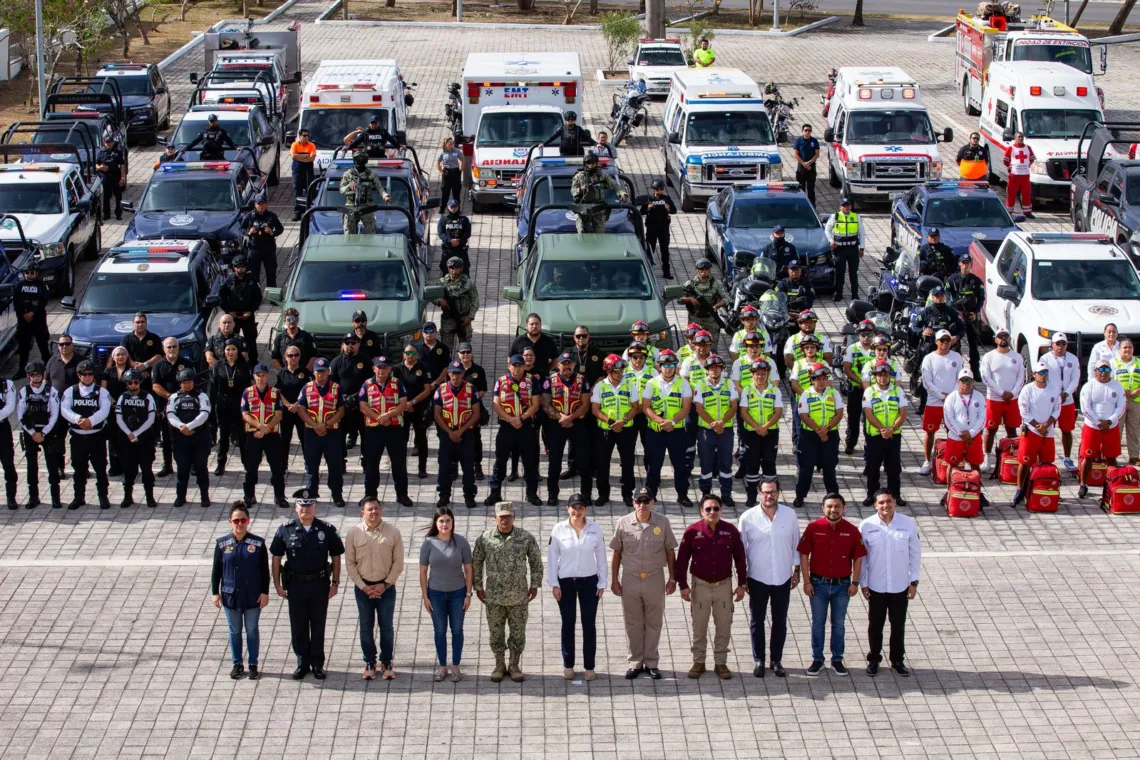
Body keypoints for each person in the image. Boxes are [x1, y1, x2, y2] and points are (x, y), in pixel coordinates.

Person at [270, 493, 345, 680]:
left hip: (319, 584)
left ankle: (318, 664)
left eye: (309, 505)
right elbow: (276, 558)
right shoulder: (285, 530)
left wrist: (335, 582)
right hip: (295, 585)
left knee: (318, 625)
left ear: (315, 507)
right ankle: (302, 663)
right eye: (301, 506)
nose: (305, 509)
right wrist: (277, 584)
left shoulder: (326, 529)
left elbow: (336, 556)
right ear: (296, 508)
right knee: (298, 626)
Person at [676, 494, 747, 680]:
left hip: (724, 586)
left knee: (724, 626)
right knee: (699, 626)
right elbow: (682, 561)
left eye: (716, 508)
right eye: (708, 509)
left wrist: (741, 585)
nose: (712, 512)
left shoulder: (730, 531)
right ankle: (698, 662)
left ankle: (721, 663)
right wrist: (682, 585)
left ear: (721, 510)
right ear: (701, 511)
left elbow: (740, 560)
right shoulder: (692, 532)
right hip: (700, 586)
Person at [610, 487, 677, 679]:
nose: (642, 505)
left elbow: (670, 552)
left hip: (655, 578)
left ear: (653, 503)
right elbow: (616, 554)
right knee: (633, 623)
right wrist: (614, 580)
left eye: (646, 501)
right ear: (633, 503)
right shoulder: (623, 523)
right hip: (630, 578)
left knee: (654, 623)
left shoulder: (662, 523)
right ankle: (635, 662)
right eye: (638, 501)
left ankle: (652, 662)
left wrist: (672, 579)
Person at [472, 501, 543, 682]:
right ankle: (499, 664)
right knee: (496, 633)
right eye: (501, 517)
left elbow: (536, 562)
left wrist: (535, 585)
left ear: (514, 517)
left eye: (508, 516)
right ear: (495, 518)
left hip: (519, 596)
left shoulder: (525, 537)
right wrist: (478, 587)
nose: (505, 520)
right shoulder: (485, 538)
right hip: (494, 597)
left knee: (518, 633)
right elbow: (477, 563)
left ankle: (514, 665)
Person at [798, 493, 866, 676]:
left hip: (842, 586)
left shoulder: (852, 531)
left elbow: (858, 558)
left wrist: (855, 583)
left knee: (839, 623)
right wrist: (806, 581)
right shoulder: (813, 528)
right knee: (818, 623)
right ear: (823, 508)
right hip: (818, 584)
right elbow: (804, 555)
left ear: (844, 508)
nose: (833, 510)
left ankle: (837, 659)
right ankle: (817, 659)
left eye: (837, 506)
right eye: (829, 506)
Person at [739, 477, 800, 677]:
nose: (769, 495)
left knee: (780, 620)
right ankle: (759, 659)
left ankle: (776, 660)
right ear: (759, 493)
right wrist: (742, 578)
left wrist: (796, 570)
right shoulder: (748, 517)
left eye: (772, 491)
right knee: (757, 620)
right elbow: (741, 551)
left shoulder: (789, 515)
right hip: (757, 577)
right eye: (765, 492)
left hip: (782, 576)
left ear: (778, 493)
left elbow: (795, 544)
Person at [859, 489, 922, 677]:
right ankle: (874, 659)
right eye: (881, 503)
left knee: (898, 625)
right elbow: (861, 558)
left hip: (900, 585)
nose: (885, 506)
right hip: (876, 585)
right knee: (875, 625)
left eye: (889, 501)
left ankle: (897, 660)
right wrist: (863, 582)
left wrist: (914, 581)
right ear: (875, 505)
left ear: (895, 502)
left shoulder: (908, 523)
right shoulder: (866, 525)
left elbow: (915, 553)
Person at [548, 494, 607, 681]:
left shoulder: (595, 529)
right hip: (565, 582)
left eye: (581, 508)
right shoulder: (558, 529)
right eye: (574, 507)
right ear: (567, 509)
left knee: (589, 624)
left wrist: (602, 582)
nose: (577, 511)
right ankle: (568, 665)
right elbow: (551, 559)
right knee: (568, 623)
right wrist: (554, 584)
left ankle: (589, 666)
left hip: (589, 582)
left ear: (586, 510)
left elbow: (602, 557)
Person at [345, 497, 404, 680]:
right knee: (365, 626)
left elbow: (398, 563)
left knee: (386, 626)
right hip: (363, 589)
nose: (374, 512)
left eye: (377, 508)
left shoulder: (393, 532)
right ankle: (370, 661)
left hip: (386, 588)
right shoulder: (354, 533)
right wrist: (363, 587)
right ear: (362, 512)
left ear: (381, 510)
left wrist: (385, 584)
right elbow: (350, 563)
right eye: (369, 509)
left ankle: (386, 661)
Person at [212, 502, 270, 680]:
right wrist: (215, 593)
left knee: (252, 630)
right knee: (234, 631)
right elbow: (216, 570)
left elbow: (264, 571)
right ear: (230, 521)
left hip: (253, 596)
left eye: (243, 520)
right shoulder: (222, 544)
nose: (240, 523)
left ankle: (253, 664)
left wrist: (265, 592)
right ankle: (237, 663)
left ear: (248, 520)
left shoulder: (258, 543)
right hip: (231, 596)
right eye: (236, 520)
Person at [420, 507, 474, 682]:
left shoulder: (461, 542)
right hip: (435, 594)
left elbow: (468, 569)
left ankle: (456, 667)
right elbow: (422, 572)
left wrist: (468, 594)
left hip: (458, 593)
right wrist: (425, 596)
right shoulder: (428, 543)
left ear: (452, 523)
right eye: (441, 521)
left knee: (457, 630)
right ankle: (443, 667)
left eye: (448, 521)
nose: (444, 524)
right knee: (440, 631)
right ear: (436, 523)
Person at [486, 354, 542, 506]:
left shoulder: (532, 381)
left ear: (524, 366)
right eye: (514, 365)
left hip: (525, 427)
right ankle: (494, 493)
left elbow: (536, 404)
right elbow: (496, 404)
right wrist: (511, 419)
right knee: (500, 462)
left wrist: (521, 418)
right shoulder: (501, 381)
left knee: (530, 463)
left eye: (519, 365)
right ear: (509, 366)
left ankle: (532, 494)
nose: (517, 368)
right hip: (506, 427)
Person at [641, 349, 694, 507]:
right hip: (655, 431)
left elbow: (686, 407)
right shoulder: (652, 383)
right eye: (665, 365)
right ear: (659, 366)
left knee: (679, 464)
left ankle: (682, 494)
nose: (668, 368)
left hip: (676, 431)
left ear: (676, 366)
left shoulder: (683, 383)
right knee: (654, 464)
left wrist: (672, 422)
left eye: (671, 364)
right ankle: (651, 494)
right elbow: (646, 407)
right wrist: (660, 421)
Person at [359, 356, 412, 506]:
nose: (382, 370)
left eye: (385, 367)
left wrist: (388, 415)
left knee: (399, 464)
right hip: (373, 430)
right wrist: (379, 418)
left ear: (390, 369)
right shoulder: (367, 385)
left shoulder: (397, 384)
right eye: (379, 367)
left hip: (394, 429)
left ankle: (402, 495)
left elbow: (403, 404)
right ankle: (370, 496)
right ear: (374, 369)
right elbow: (363, 406)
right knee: (371, 465)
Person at [542, 353, 593, 506]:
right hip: (557, 424)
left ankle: (586, 494)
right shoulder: (549, 380)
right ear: (558, 365)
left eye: (569, 363)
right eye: (563, 363)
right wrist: (561, 418)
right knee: (554, 461)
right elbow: (545, 404)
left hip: (577, 423)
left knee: (584, 460)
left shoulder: (582, 380)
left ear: (574, 365)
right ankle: (552, 494)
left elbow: (585, 403)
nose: (566, 366)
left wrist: (570, 418)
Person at [61, 360, 112, 510]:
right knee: (79, 469)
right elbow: (64, 409)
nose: (87, 377)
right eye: (84, 374)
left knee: (101, 468)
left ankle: (103, 496)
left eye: (90, 374)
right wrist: (78, 420)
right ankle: (79, 497)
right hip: (78, 437)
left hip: (96, 436)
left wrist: (90, 420)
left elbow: (104, 410)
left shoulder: (102, 392)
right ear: (79, 375)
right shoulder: (71, 391)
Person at [296, 358, 346, 506]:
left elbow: (341, 410)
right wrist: (315, 425)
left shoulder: (336, 388)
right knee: (311, 465)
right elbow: (301, 409)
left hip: (332, 433)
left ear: (328, 372)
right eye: (318, 371)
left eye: (323, 371)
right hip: (312, 433)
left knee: (335, 466)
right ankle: (311, 494)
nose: (321, 374)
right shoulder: (307, 388)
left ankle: (337, 495)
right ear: (314, 372)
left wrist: (326, 424)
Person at [592, 354, 640, 508]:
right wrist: (612, 422)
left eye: (621, 371)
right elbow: (595, 410)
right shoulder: (600, 386)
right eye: (616, 371)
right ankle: (603, 494)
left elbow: (635, 407)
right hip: (606, 431)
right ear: (608, 371)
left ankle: (627, 494)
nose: (620, 374)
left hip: (626, 430)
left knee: (628, 462)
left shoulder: (629, 385)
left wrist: (623, 421)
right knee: (602, 463)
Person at [795, 365, 844, 509]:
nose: (821, 382)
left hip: (830, 435)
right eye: (818, 379)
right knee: (806, 468)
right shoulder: (806, 394)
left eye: (824, 379)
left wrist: (826, 430)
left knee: (829, 467)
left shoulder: (834, 393)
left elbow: (839, 413)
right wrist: (818, 430)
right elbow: (803, 414)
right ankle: (800, 496)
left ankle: (834, 496)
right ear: (812, 380)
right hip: (810, 435)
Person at [1012, 362, 1061, 507]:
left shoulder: (1054, 389)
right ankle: (1020, 489)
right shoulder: (1027, 390)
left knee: (1046, 462)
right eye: (1040, 373)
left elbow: (1057, 410)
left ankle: (1043, 487)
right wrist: (1037, 426)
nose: (1043, 375)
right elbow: (1023, 412)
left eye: (1045, 372)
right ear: (1034, 374)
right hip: (1032, 431)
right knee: (1025, 462)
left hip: (1048, 431)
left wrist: (1046, 425)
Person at [17, 362, 64, 509]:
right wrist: (33, 433)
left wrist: (43, 433)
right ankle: (33, 497)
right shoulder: (24, 391)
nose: (35, 378)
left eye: (38, 374)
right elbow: (20, 415)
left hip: (47, 433)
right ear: (28, 376)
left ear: (43, 375)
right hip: (31, 433)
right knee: (32, 466)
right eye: (32, 375)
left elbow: (55, 415)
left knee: (52, 465)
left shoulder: (52, 391)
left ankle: (55, 498)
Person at [241, 364, 288, 508]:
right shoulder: (247, 392)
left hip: (271, 435)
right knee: (251, 467)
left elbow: (279, 415)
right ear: (254, 376)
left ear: (268, 376)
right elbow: (245, 414)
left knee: (277, 467)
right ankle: (249, 496)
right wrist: (259, 426)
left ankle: (279, 496)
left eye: (263, 375)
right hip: (253, 434)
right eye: (258, 375)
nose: (261, 378)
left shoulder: (275, 393)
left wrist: (265, 429)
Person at [694, 354, 738, 506]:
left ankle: (726, 494)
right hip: (707, 430)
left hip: (725, 430)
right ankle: (706, 494)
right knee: (706, 463)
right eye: (711, 368)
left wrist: (722, 422)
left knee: (726, 463)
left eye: (717, 367)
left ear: (721, 369)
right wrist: (714, 423)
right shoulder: (700, 384)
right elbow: (699, 408)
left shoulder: (729, 384)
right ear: (707, 370)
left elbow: (734, 406)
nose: (714, 370)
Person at [433, 361, 479, 509]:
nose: (455, 376)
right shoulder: (441, 389)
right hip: (447, 433)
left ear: (463, 374)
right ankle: (444, 495)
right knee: (444, 466)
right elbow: (437, 413)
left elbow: (476, 413)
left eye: (458, 373)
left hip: (466, 433)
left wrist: (461, 431)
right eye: (453, 373)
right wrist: (450, 432)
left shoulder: (471, 389)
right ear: (448, 374)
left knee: (467, 467)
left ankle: (469, 495)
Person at [942, 371, 991, 508]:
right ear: (958, 382)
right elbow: (948, 418)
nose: (966, 384)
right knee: (952, 464)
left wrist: (972, 433)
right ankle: (950, 492)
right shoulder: (951, 398)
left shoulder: (979, 397)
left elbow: (983, 417)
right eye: (963, 381)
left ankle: (977, 492)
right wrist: (960, 433)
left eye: (969, 381)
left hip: (973, 438)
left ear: (973, 382)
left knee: (975, 465)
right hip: (955, 437)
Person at [918, 330, 964, 474]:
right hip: (934, 402)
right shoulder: (929, 358)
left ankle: (953, 459)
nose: (945, 343)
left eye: (948, 340)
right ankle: (927, 461)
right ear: (936, 342)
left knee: (954, 431)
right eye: (942, 340)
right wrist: (940, 395)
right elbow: (926, 381)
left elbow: (960, 378)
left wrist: (950, 396)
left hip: (952, 402)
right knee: (930, 431)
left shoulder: (957, 357)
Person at [862, 361, 908, 507]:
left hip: (893, 436)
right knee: (873, 466)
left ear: (890, 376)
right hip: (875, 435)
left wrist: (891, 429)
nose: (883, 378)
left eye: (886, 375)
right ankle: (872, 495)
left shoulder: (898, 391)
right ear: (875, 376)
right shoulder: (869, 391)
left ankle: (895, 495)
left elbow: (903, 413)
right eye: (879, 375)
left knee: (893, 467)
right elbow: (868, 414)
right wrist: (883, 429)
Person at [1078, 360, 1125, 499]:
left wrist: (1110, 421)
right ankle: (1083, 484)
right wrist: (1098, 422)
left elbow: (1121, 407)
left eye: (1106, 370)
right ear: (1095, 371)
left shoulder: (1117, 386)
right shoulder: (1088, 386)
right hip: (1092, 427)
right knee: (1088, 456)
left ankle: (1113, 483)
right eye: (1100, 370)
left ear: (1110, 371)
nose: (1103, 372)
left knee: (1112, 457)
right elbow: (1085, 407)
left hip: (1111, 426)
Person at [980, 327, 1024, 471]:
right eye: (1000, 336)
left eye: (1006, 336)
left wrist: (1012, 392)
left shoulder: (1017, 357)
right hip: (994, 399)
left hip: (1012, 399)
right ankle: (987, 457)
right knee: (990, 429)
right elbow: (986, 377)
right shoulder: (989, 357)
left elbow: (1021, 377)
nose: (1003, 338)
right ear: (995, 339)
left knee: (1012, 430)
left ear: (1009, 339)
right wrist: (1000, 392)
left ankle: (1012, 455)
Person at [739, 358, 782, 504]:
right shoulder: (747, 390)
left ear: (768, 374)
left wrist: (765, 427)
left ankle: (771, 497)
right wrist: (757, 427)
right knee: (752, 463)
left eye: (763, 374)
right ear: (752, 374)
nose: (760, 377)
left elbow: (778, 412)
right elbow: (744, 412)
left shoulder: (775, 390)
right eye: (757, 374)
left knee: (769, 463)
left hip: (770, 433)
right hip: (751, 433)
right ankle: (751, 495)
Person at [167, 367, 212, 507]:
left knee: (201, 468)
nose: (187, 384)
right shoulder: (174, 397)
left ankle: (204, 496)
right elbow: (170, 414)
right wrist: (181, 427)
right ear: (179, 383)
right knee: (182, 469)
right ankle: (181, 497)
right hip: (180, 439)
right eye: (184, 382)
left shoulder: (202, 396)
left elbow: (204, 414)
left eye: (190, 381)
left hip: (199, 439)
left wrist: (190, 426)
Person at [115, 368, 158, 509]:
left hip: (144, 439)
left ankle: (150, 497)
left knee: (147, 470)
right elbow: (119, 418)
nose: (133, 385)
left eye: (135, 382)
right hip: (126, 439)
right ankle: (128, 496)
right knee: (128, 470)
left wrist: (137, 433)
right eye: (130, 383)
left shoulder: (147, 397)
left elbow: (151, 419)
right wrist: (129, 433)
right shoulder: (123, 397)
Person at [1040, 333, 1081, 472]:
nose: (1060, 346)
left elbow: (1075, 379)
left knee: (1067, 430)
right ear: (1052, 344)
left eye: (1063, 343)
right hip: (1050, 400)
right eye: (1058, 343)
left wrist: (1066, 393)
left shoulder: (1073, 359)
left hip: (1067, 400)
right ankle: (1044, 458)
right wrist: (1055, 394)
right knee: (1046, 429)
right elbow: (1043, 377)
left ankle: (1068, 457)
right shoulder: (1045, 358)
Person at [211, 340, 250, 477]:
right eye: (228, 349)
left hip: (239, 403)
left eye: (233, 349)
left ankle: (247, 463)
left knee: (242, 435)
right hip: (223, 403)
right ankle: (221, 464)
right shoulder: (219, 365)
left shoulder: (244, 365)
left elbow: (247, 386)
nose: (230, 352)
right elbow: (214, 385)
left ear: (238, 351)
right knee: (224, 436)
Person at [329, 332, 372, 457]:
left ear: (358, 344)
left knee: (366, 436)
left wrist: (358, 396)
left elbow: (371, 383)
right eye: (347, 343)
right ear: (343, 345)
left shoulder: (366, 361)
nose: (350, 346)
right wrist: (341, 397)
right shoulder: (336, 362)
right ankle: (341, 462)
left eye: (353, 343)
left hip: (361, 405)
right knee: (340, 435)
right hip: (342, 405)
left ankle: (366, 463)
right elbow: (331, 384)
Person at [396, 343, 433, 479]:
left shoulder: (423, 368)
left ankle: (422, 468)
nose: (410, 356)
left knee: (421, 439)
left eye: (413, 353)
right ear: (403, 355)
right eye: (408, 353)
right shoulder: (397, 369)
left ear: (417, 354)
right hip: (402, 409)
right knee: (401, 440)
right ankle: (401, 468)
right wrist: (404, 404)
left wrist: (413, 402)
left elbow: (427, 389)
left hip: (419, 408)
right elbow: (393, 389)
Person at [946, 254, 985, 378]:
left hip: (971, 316)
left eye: (967, 262)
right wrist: (954, 312)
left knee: (973, 345)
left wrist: (976, 312)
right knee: (955, 343)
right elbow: (947, 297)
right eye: (963, 262)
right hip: (956, 316)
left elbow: (981, 299)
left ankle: (975, 370)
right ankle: (956, 369)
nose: (965, 265)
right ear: (959, 264)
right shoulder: (952, 280)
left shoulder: (976, 281)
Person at [842, 319, 876, 455]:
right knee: (853, 417)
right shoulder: (852, 348)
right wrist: (861, 382)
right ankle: (851, 442)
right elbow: (847, 369)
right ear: (859, 335)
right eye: (863, 334)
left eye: (869, 334)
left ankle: (870, 444)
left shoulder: (878, 348)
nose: (866, 338)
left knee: (871, 417)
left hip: (874, 391)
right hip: (856, 388)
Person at [570, 152, 627, 233]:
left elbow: (614, 185)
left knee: (600, 232)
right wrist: (581, 189)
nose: (590, 165)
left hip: (598, 208)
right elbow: (573, 191)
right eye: (588, 163)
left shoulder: (602, 175)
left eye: (593, 163)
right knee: (582, 232)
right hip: (583, 208)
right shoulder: (579, 176)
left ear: (596, 163)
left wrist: (622, 193)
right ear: (585, 163)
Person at [219, 256, 262, 360]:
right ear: (234, 268)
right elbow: (221, 297)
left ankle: (252, 362)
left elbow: (258, 298)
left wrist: (250, 311)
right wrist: (229, 312)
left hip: (247, 315)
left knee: (251, 340)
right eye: (237, 267)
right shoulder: (229, 281)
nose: (240, 269)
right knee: (232, 340)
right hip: (233, 316)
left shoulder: (252, 280)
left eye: (242, 267)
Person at [275, 346, 309, 471]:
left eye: (296, 355)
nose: (293, 358)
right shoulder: (281, 373)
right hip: (286, 411)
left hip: (301, 410)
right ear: (285, 357)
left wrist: (297, 404)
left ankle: (308, 465)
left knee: (304, 439)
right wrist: (288, 404)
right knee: (285, 440)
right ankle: (283, 467)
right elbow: (278, 391)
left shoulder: (305, 372)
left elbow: (308, 390)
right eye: (290, 355)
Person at [339, 152, 391, 235]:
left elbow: (379, 187)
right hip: (351, 207)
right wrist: (349, 185)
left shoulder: (371, 174)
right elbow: (341, 190)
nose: (360, 162)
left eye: (362, 160)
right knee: (348, 233)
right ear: (354, 161)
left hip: (366, 206)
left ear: (366, 161)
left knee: (371, 233)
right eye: (358, 160)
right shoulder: (348, 174)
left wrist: (385, 196)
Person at [680, 260, 730, 345]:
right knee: (693, 345)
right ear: (697, 269)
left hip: (710, 318)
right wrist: (689, 299)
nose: (704, 271)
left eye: (706, 269)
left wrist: (716, 306)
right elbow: (680, 298)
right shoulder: (690, 284)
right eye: (701, 269)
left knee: (712, 346)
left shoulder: (717, 284)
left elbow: (727, 299)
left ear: (709, 269)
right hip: (694, 318)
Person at [14, 263, 50, 376]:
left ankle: (49, 370)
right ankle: (21, 370)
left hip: (38, 321)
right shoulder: (20, 285)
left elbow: (43, 301)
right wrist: (23, 315)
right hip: (24, 322)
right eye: (27, 273)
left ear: (36, 273)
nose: (29, 275)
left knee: (43, 346)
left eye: (32, 273)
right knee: (23, 347)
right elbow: (16, 302)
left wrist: (33, 313)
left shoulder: (41, 285)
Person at [825, 197, 864, 301]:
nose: (846, 208)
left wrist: (862, 248)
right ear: (840, 207)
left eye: (848, 205)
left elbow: (862, 233)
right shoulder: (835, 216)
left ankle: (855, 294)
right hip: (839, 250)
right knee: (839, 272)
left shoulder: (856, 217)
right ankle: (838, 294)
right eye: (844, 206)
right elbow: (827, 230)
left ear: (851, 206)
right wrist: (831, 241)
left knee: (853, 273)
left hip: (852, 249)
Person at [241, 193, 284, 288]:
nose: (261, 206)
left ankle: (272, 295)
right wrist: (249, 232)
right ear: (255, 205)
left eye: (263, 203)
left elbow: (280, 228)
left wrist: (272, 233)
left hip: (268, 248)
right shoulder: (250, 216)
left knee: (271, 273)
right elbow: (241, 229)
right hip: (254, 248)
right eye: (259, 204)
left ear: (266, 204)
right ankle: (256, 296)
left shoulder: (271, 216)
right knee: (253, 274)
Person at [438, 258, 479, 348]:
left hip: (464, 320)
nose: (454, 270)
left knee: (465, 349)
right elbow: (433, 296)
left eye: (456, 267)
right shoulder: (442, 282)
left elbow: (475, 300)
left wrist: (470, 317)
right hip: (448, 320)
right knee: (446, 349)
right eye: (451, 268)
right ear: (448, 269)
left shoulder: (468, 283)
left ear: (461, 268)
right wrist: (439, 301)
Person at [640, 179, 677, 278]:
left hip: (664, 227)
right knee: (650, 250)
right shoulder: (649, 199)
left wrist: (668, 208)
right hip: (652, 227)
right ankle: (649, 272)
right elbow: (641, 212)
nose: (659, 191)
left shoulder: (666, 199)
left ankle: (666, 272)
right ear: (653, 189)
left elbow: (674, 211)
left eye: (661, 189)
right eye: (657, 189)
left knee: (665, 250)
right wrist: (648, 208)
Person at [1112, 338, 1140, 465]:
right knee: (1117, 429)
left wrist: (1138, 390)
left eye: (1130, 347)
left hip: (1136, 400)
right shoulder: (1113, 362)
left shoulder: (1139, 362)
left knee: (1134, 429)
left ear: (1133, 349)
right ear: (1120, 349)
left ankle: (1134, 456)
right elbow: (1109, 381)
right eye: (1125, 347)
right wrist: (1121, 390)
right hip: (1119, 401)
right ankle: (1113, 455)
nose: (1127, 350)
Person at [118, 313, 163, 379]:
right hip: (130, 376)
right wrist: (136, 367)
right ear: (133, 324)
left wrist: (145, 365)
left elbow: (159, 356)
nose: (140, 324)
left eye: (142, 322)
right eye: (137, 322)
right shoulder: (126, 339)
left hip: (151, 375)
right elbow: (123, 354)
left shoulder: (155, 338)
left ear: (146, 323)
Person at [1003, 131, 1035, 218]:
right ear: (1015, 138)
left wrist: (1026, 165)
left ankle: (1027, 212)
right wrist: (1010, 166)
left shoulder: (1028, 148)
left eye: (1021, 137)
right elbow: (1005, 160)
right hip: (1014, 175)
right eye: (1019, 137)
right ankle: (1009, 212)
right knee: (1011, 193)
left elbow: (1032, 159)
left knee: (1026, 193)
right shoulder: (1011, 148)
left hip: (1025, 175)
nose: (1020, 138)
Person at [95, 134, 127, 220]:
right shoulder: (101, 152)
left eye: (110, 142)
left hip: (116, 175)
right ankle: (106, 214)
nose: (109, 144)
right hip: (106, 176)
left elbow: (122, 165)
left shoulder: (117, 152)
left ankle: (118, 213)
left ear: (113, 142)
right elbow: (96, 164)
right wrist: (100, 167)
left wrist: (122, 178)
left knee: (118, 196)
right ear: (104, 143)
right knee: (106, 196)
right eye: (107, 142)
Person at [289, 128, 317, 220]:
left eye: (307, 135)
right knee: (298, 191)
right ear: (299, 136)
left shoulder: (311, 145)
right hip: (297, 171)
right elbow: (293, 156)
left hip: (308, 171)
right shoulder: (295, 144)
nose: (306, 137)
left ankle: (308, 211)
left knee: (310, 191)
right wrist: (306, 156)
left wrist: (299, 157)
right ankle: (298, 213)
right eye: (304, 135)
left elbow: (312, 157)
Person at [437, 200, 472, 275]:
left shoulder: (464, 220)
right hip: (448, 250)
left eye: (455, 207)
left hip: (461, 250)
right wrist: (450, 241)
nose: (453, 209)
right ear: (448, 207)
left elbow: (467, 233)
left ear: (458, 207)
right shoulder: (443, 220)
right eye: (451, 207)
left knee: (465, 269)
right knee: (445, 269)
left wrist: (459, 241)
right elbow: (441, 234)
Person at [415, 321, 453, 388]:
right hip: (420, 383)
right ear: (422, 333)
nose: (429, 334)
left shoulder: (443, 348)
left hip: (438, 384)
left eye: (431, 331)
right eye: (426, 331)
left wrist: (436, 383)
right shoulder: (416, 348)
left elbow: (447, 367)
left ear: (436, 332)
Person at [792, 124, 820, 206]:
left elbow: (817, 154)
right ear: (802, 131)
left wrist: (810, 162)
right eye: (806, 130)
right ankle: (801, 205)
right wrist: (803, 163)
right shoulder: (799, 141)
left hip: (811, 167)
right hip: (801, 167)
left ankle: (812, 206)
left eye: (809, 130)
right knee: (801, 188)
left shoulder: (814, 141)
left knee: (811, 188)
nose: (807, 132)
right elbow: (796, 154)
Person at [0, 372, 16, 509]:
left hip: (2, 428)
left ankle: (11, 497)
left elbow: (10, 406)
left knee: (8, 465)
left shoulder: (6, 384)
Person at [436, 136, 464, 212]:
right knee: (445, 192)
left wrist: (461, 170)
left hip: (455, 172)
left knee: (456, 192)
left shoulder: (457, 151)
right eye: (450, 143)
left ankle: (457, 209)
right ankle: (442, 209)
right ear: (446, 144)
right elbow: (437, 163)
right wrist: (442, 171)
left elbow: (463, 160)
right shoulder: (442, 153)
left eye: (453, 143)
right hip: (447, 172)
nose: (452, 144)